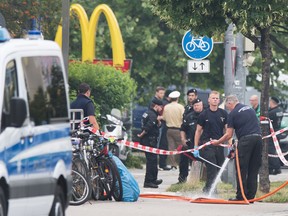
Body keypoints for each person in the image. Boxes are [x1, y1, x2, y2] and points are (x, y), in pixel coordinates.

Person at [211, 95, 262, 202]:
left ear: (230, 103)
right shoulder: (250, 109)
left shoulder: (233, 114)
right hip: (258, 139)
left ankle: (240, 196)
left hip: (246, 140)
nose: (227, 108)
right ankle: (251, 197)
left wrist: (217, 142)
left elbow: (229, 134)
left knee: (241, 168)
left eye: (227, 106)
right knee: (253, 169)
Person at [194, 91, 228, 193]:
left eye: (217, 98)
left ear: (219, 100)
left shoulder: (223, 113)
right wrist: (196, 146)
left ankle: (209, 187)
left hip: (219, 144)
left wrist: (229, 143)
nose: (215, 100)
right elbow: (198, 131)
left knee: (219, 167)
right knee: (212, 167)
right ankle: (210, 190)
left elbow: (228, 130)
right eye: (213, 98)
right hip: (207, 144)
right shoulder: (204, 114)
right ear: (208, 100)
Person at [138, 98, 163, 188]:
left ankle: (153, 179)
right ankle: (148, 181)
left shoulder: (148, 113)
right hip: (149, 140)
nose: (161, 109)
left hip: (149, 140)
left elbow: (157, 125)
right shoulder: (152, 114)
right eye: (160, 107)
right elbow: (148, 127)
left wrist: (158, 121)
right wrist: (141, 134)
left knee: (153, 160)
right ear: (156, 106)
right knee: (151, 161)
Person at [177, 98, 203, 183]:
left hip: (202, 144)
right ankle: (182, 179)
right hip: (190, 143)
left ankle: (198, 181)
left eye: (198, 105)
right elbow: (182, 129)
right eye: (194, 105)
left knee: (200, 163)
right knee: (183, 160)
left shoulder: (205, 115)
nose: (196, 107)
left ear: (202, 105)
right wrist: (183, 139)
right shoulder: (189, 116)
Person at [162, 90, 185, 170]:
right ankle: (181, 162)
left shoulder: (166, 107)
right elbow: (183, 118)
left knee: (170, 147)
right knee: (181, 147)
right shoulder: (180, 107)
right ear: (177, 98)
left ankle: (173, 164)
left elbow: (164, 118)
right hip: (178, 130)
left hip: (169, 130)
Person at [268, 96, 283, 175]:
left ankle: (275, 168)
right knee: (276, 151)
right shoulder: (280, 111)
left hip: (271, 133)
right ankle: (276, 167)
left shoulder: (271, 113)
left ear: (272, 102)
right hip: (278, 133)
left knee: (271, 151)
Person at [158, 89, 172, 170]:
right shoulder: (166, 105)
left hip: (163, 126)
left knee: (163, 144)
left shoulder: (163, 103)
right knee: (164, 144)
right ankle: (163, 164)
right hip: (165, 126)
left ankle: (162, 163)